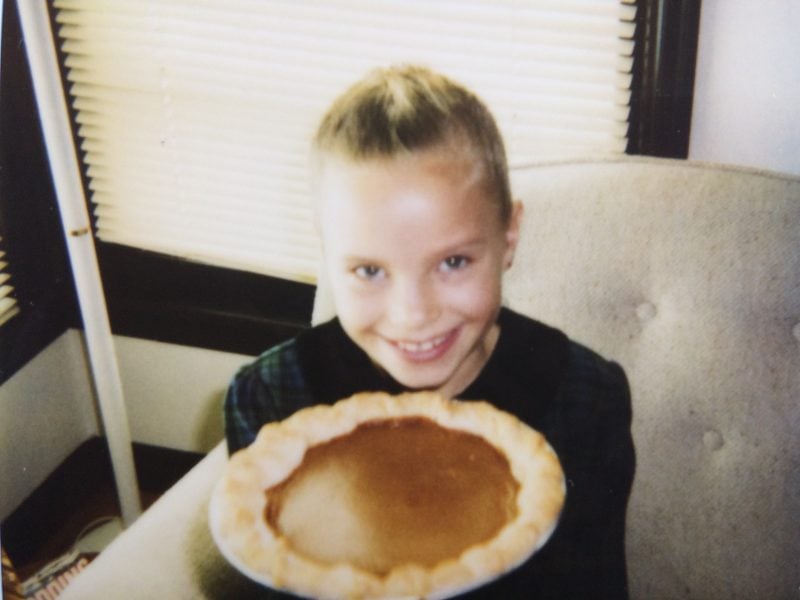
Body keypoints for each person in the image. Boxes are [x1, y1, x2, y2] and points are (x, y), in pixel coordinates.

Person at [224, 64, 635, 599]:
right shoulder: (271, 398)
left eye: (454, 262)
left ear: (508, 236)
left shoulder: (585, 399)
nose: (413, 314)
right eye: (370, 271)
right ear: (327, 253)